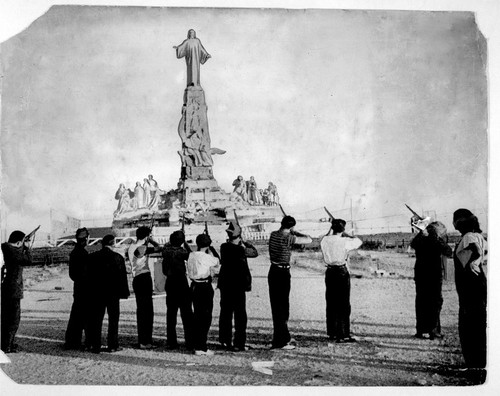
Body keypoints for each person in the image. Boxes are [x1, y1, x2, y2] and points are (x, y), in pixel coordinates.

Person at [268, 216, 312, 349]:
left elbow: (283, 233)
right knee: (283, 307)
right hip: (283, 273)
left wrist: (291, 230)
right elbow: (309, 239)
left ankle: (282, 336)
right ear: (292, 227)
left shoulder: (273, 234)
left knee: (276, 306)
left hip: (273, 270)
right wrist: (297, 232)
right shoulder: (289, 238)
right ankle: (281, 341)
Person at [452, 209, 487, 373]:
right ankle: (478, 362)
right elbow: (482, 251)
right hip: (477, 284)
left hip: (470, 286)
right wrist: (478, 261)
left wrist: (475, 261)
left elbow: (476, 251)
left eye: (455, 220)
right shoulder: (479, 235)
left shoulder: (468, 236)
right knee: (478, 323)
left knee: (469, 325)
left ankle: (474, 364)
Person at [320, 219, 362, 343]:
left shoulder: (325, 240)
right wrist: (348, 234)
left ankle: (332, 332)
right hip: (341, 271)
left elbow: (327, 237)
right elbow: (359, 241)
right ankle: (343, 334)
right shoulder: (345, 241)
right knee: (343, 304)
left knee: (331, 301)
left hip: (330, 272)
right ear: (343, 229)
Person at [218, 222, 258, 351]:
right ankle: (239, 343)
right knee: (240, 316)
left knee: (225, 313)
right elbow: (255, 253)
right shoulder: (241, 250)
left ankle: (225, 341)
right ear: (239, 236)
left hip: (225, 285)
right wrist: (246, 242)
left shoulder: (223, 247)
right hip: (238, 286)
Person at [87, 234, 130, 353]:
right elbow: (122, 277)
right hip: (113, 293)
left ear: (102, 243)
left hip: (97, 293)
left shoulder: (92, 257)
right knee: (113, 319)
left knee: (96, 319)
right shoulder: (118, 257)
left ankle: (95, 345)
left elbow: (88, 277)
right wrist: (124, 292)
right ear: (113, 243)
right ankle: (113, 345)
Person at [410, 221, 452, 340]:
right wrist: (437, 238)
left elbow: (413, 244)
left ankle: (422, 330)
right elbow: (448, 251)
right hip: (434, 275)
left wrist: (421, 234)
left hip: (421, 274)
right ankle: (433, 330)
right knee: (434, 302)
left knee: (422, 301)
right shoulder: (436, 241)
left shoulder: (421, 238)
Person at [128, 226, 162, 349]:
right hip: (143, 278)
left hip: (138, 279)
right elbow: (159, 248)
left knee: (143, 311)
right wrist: (151, 240)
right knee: (146, 312)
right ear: (147, 236)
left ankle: (145, 340)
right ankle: (145, 341)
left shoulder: (132, 246)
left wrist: (148, 239)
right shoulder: (141, 248)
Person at [186, 233, 220, 355]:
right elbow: (217, 261)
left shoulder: (191, 255)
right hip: (204, 286)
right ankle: (201, 346)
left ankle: (196, 344)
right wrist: (211, 250)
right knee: (205, 317)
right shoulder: (206, 257)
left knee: (197, 315)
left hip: (194, 285)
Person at [162, 230, 194, 350]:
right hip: (181, 282)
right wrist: (185, 243)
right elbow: (192, 255)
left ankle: (171, 342)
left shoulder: (166, 251)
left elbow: (166, 246)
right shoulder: (183, 252)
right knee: (187, 314)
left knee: (171, 314)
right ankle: (190, 341)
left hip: (170, 282)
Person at [1, 230, 33, 353]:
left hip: (8, 289)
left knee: (7, 318)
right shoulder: (12, 252)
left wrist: (22, 244)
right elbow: (29, 260)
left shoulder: (6, 249)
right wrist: (27, 248)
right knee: (13, 319)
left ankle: (7, 343)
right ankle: (6, 345)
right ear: (19, 242)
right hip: (13, 289)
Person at [64, 227, 91, 350]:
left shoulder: (75, 252)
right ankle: (77, 342)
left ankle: (72, 341)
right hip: (84, 288)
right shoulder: (83, 253)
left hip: (79, 287)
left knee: (76, 315)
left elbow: (72, 274)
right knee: (83, 316)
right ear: (86, 239)